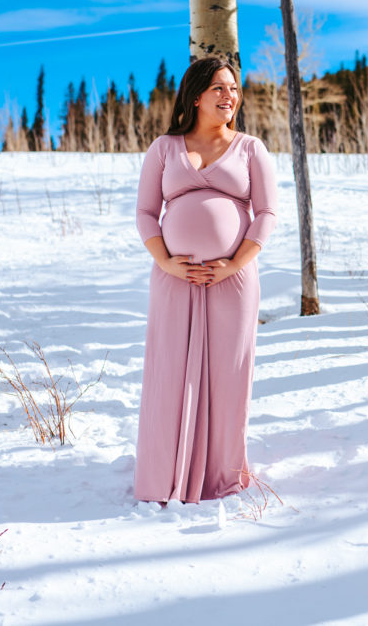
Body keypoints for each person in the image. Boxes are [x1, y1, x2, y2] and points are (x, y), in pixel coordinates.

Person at [133, 57, 277, 504]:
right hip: (173, 279)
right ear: (196, 95)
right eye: (219, 88)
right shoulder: (164, 148)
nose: (229, 96)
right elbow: (144, 213)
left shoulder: (252, 149)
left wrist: (234, 263)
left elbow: (267, 214)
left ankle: (221, 475)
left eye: (233, 89)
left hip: (232, 281)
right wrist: (168, 263)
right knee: (170, 372)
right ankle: (164, 474)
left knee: (229, 375)